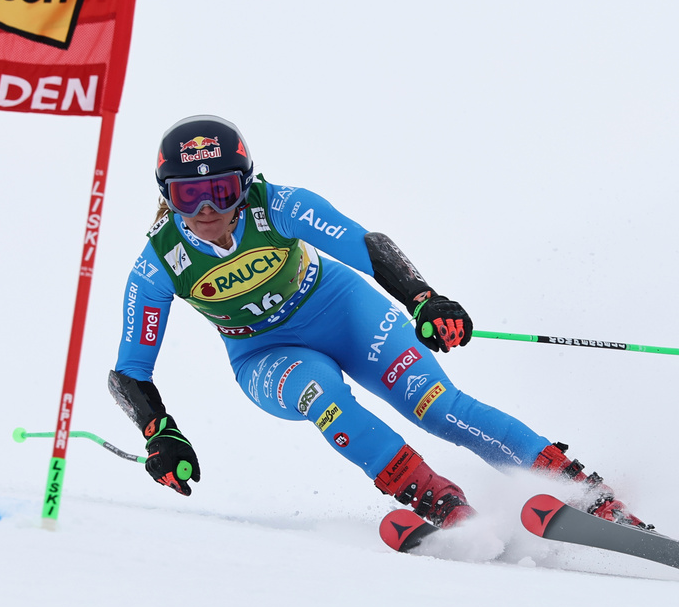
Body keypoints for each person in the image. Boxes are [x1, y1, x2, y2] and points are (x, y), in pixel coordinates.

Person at [108, 114, 648, 532]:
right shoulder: (158, 263)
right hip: (265, 355)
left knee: (436, 406)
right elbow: (130, 370)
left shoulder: (278, 206)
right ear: (167, 195)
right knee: (322, 394)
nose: (207, 209)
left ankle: (581, 492)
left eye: (221, 190)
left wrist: (424, 299)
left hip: (344, 312)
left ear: (245, 185)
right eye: (188, 194)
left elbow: (366, 245)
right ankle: (441, 502)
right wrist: (159, 431)